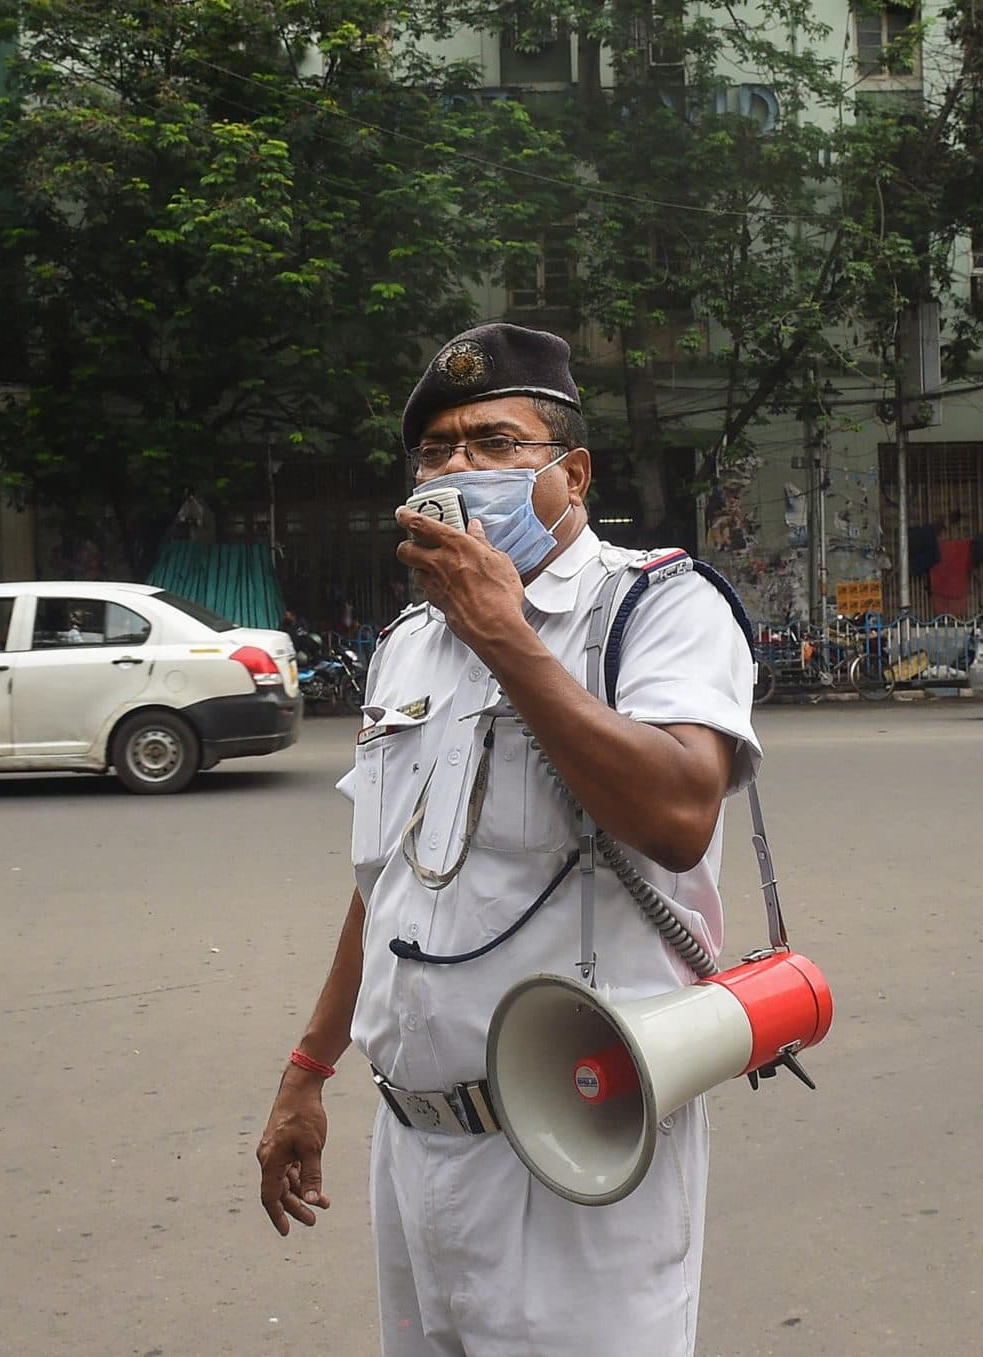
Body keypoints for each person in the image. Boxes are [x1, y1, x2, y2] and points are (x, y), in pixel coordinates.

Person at [254, 323, 758, 1356]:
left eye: (494, 442)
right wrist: (309, 1065)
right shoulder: (407, 644)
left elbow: (678, 816)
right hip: (417, 1149)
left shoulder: (654, 605)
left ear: (570, 473)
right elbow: (388, 880)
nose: (458, 469)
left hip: (577, 1151)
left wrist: (507, 635)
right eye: (437, 451)